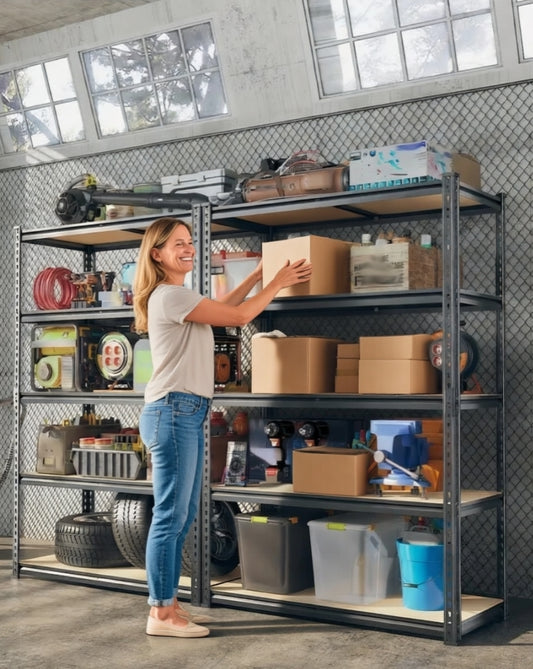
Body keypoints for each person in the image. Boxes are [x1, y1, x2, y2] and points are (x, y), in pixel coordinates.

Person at [133, 217, 312, 638]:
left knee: (179, 516)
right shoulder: (169, 296)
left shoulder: (180, 297)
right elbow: (243, 314)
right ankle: (160, 614)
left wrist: (254, 275)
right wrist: (278, 282)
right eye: (177, 243)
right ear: (156, 253)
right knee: (170, 518)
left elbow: (223, 314)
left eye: (189, 241)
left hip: (184, 412)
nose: (188, 247)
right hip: (173, 411)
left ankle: (169, 608)